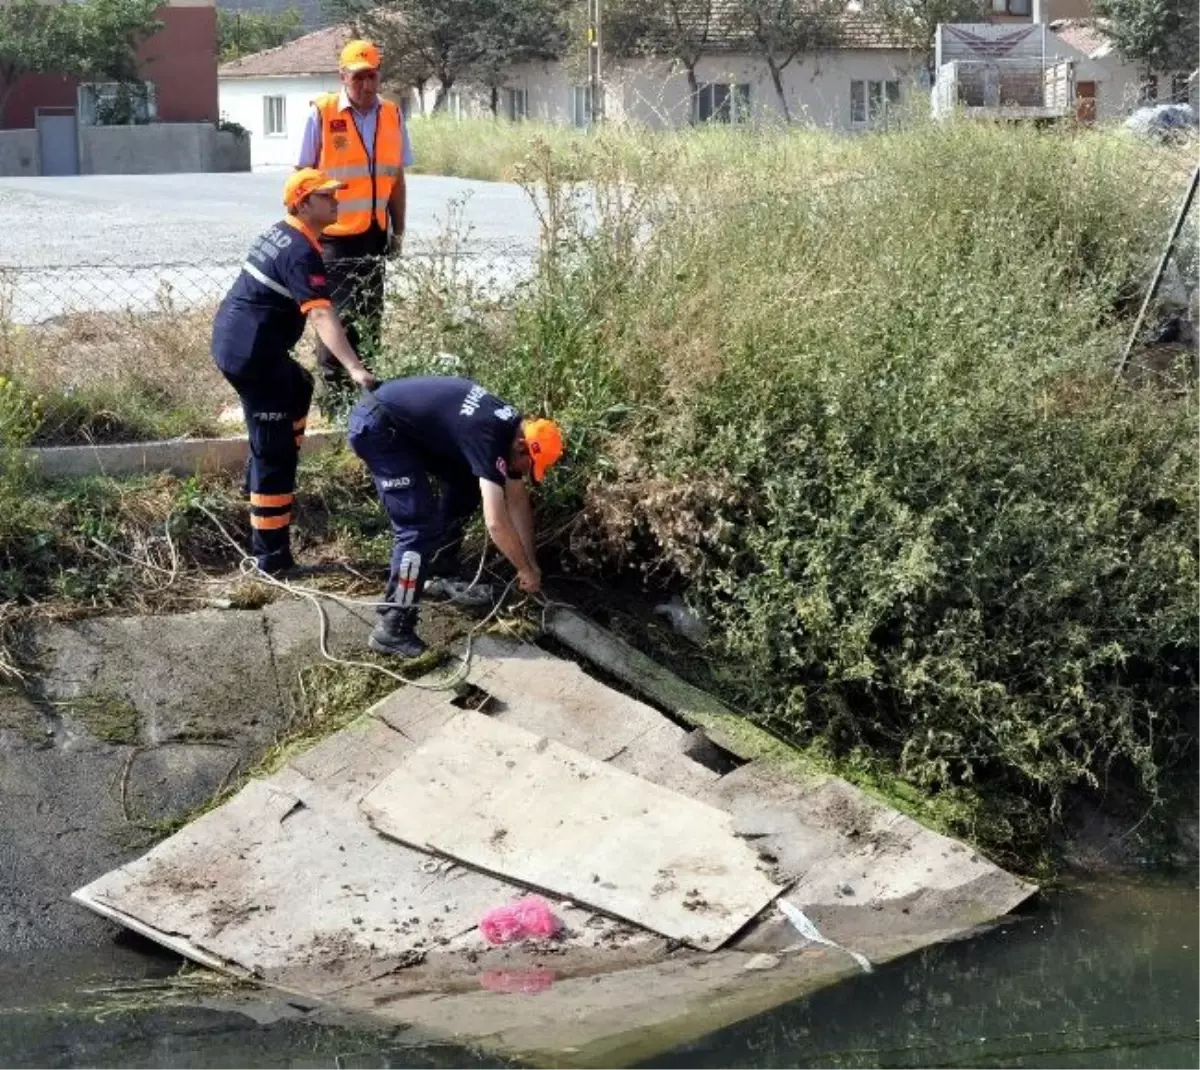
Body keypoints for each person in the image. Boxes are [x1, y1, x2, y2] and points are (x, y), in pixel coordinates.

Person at [211, 168, 378, 576]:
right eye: (327, 196)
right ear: (303, 203)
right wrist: (355, 368)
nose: (337, 201)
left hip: (245, 343)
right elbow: (321, 313)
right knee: (275, 454)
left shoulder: (285, 232)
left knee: (299, 385)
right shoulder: (299, 250)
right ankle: (271, 559)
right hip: (252, 356)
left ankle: (263, 477)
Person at [347, 376, 565, 657]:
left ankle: (439, 569)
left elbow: (517, 500)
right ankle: (393, 627)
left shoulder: (510, 430)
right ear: (523, 447)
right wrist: (523, 569)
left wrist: (531, 562)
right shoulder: (488, 437)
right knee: (417, 529)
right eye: (529, 466)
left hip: (406, 429)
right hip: (379, 428)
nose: (525, 472)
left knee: (466, 484)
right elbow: (496, 523)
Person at [297, 39, 414, 409]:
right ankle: (334, 405)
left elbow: (395, 178)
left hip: (374, 235)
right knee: (338, 323)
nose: (366, 85)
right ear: (343, 76)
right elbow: (303, 180)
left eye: (373, 77)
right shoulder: (321, 113)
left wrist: (398, 230)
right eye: (359, 77)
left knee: (369, 321)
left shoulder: (392, 115)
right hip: (333, 239)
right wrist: (305, 235)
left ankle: (364, 405)